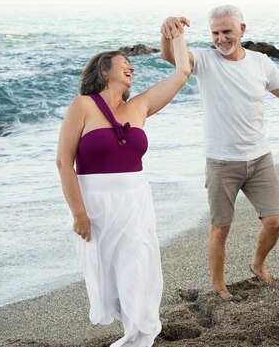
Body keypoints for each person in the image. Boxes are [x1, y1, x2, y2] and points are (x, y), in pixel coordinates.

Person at [160, 5, 279, 300]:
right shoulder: (205, 60)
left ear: (242, 30)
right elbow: (173, 58)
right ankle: (219, 287)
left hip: (260, 158)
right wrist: (168, 33)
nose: (221, 39)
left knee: (275, 222)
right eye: (215, 33)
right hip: (221, 161)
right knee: (220, 229)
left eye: (227, 32)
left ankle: (257, 265)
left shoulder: (261, 63)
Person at [56, 33, 191, 346]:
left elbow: (182, 72)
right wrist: (79, 214)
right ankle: (131, 329)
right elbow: (64, 162)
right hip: (95, 203)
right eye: (125, 63)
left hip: (135, 201)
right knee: (107, 281)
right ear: (105, 71)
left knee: (138, 267)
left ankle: (137, 336)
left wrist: (177, 35)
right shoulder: (83, 106)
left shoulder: (140, 105)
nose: (132, 68)